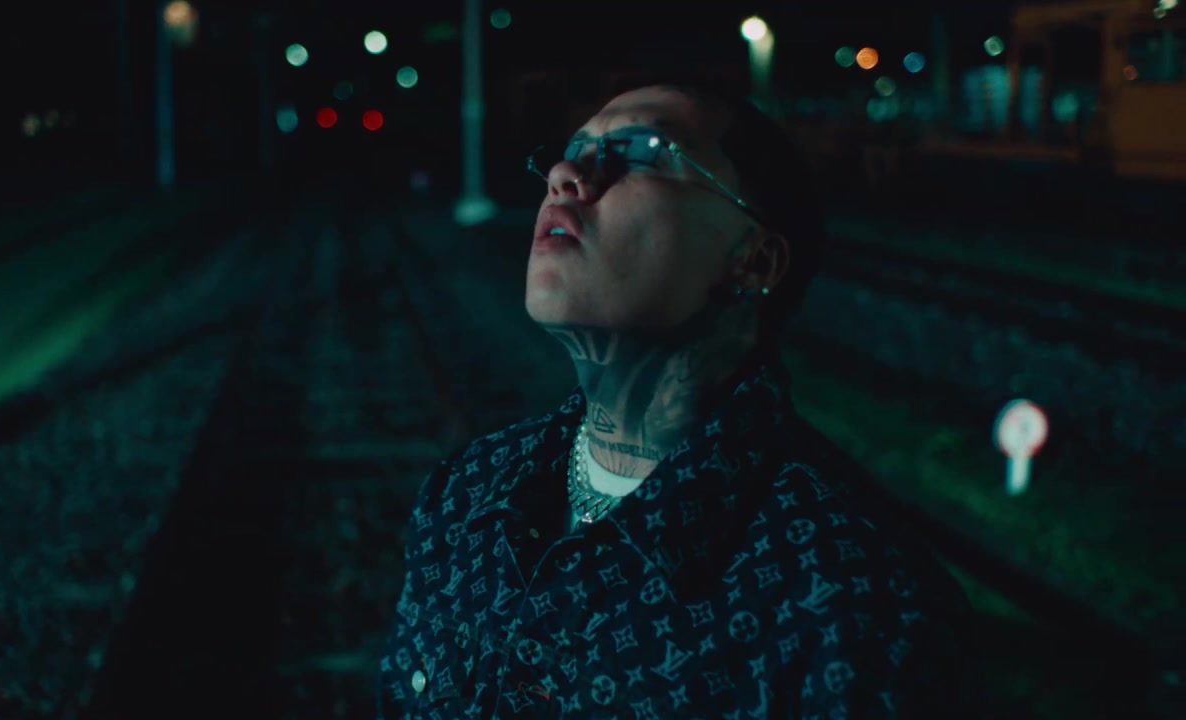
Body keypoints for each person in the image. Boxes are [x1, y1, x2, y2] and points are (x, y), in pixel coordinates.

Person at [375, 79, 978, 719]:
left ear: (754, 261)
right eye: (572, 153)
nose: (563, 175)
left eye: (643, 153)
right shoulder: (464, 494)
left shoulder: (858, 600)